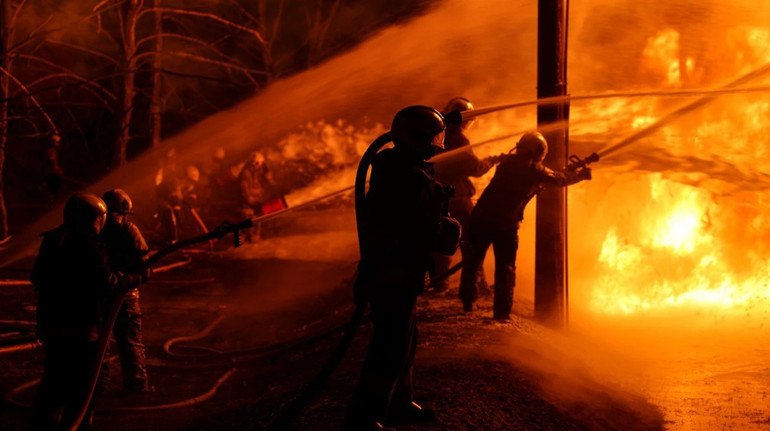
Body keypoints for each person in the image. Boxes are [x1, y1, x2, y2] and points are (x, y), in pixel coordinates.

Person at [344, 106, 460, 431]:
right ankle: (363, 420)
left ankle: (399, 404)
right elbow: (415, 230)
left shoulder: (399, 170)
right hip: (392, 275)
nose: (436, 149)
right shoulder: (405, 180)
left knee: (406, 341)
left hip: (400, 274)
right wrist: (445, 230)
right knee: (389, 348)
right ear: (418, 139)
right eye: (433, 142)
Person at [30, 193, 143, 430]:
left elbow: (37, 277)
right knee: (85, 385)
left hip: (52, 325)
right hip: (82, 327)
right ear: (96, 218)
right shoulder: (87, 243)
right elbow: (105, 280)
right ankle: (78, 424)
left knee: (53, 381)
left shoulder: (53, 239)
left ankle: (45, 425)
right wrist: (128, 280)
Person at [458, 132, 591, 321]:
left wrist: (564, 172)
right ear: (539, 152)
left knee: (473, 261)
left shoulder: (508, 163)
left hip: (481, 217)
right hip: (505, 225)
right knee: (505, 267)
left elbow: (547, 175)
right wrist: (580, 176)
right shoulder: (536, 171)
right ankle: (502, 313)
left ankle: (467, 302)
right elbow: (559, 180)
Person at [432, 97, 496, 292]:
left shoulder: (434, 135)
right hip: (457, 198)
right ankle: (475, 283)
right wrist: (492, 160)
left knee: (440, 239)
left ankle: (439, 283)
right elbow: (475, 167)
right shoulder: (458, 140)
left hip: (435, 197)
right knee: (472, 238)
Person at [100, 189, 152, 394]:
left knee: (100, 344)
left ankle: (98, 387)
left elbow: (144, 269)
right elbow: (146, 269)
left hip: (107, 294)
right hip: (122, 297)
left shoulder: (95, 229)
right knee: (129, 342)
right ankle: (136, 387)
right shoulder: (128, 230)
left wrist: (129, 279)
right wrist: (131, 279)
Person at [238, 151, 274, 242]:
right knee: (249, 217)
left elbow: (264, 183)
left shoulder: (255, 171)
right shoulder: (246, 173)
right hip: (248, 202)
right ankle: (249, 237)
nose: (261, 165)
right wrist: (251, 200)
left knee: (257, 217)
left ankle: (254, 236)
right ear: (255, 163)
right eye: (260, 163)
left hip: (255, 199)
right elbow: (244, 189)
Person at [41, 134, 64, 203]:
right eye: (57, 142)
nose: (58, 144)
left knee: (53, 186)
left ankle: (52, 200)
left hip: (49, 172)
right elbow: (52, 160)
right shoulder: (51, 150)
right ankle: (54, 201)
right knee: (56, 186)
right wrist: (58, 170)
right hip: (51, 172)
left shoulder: (50, 150)